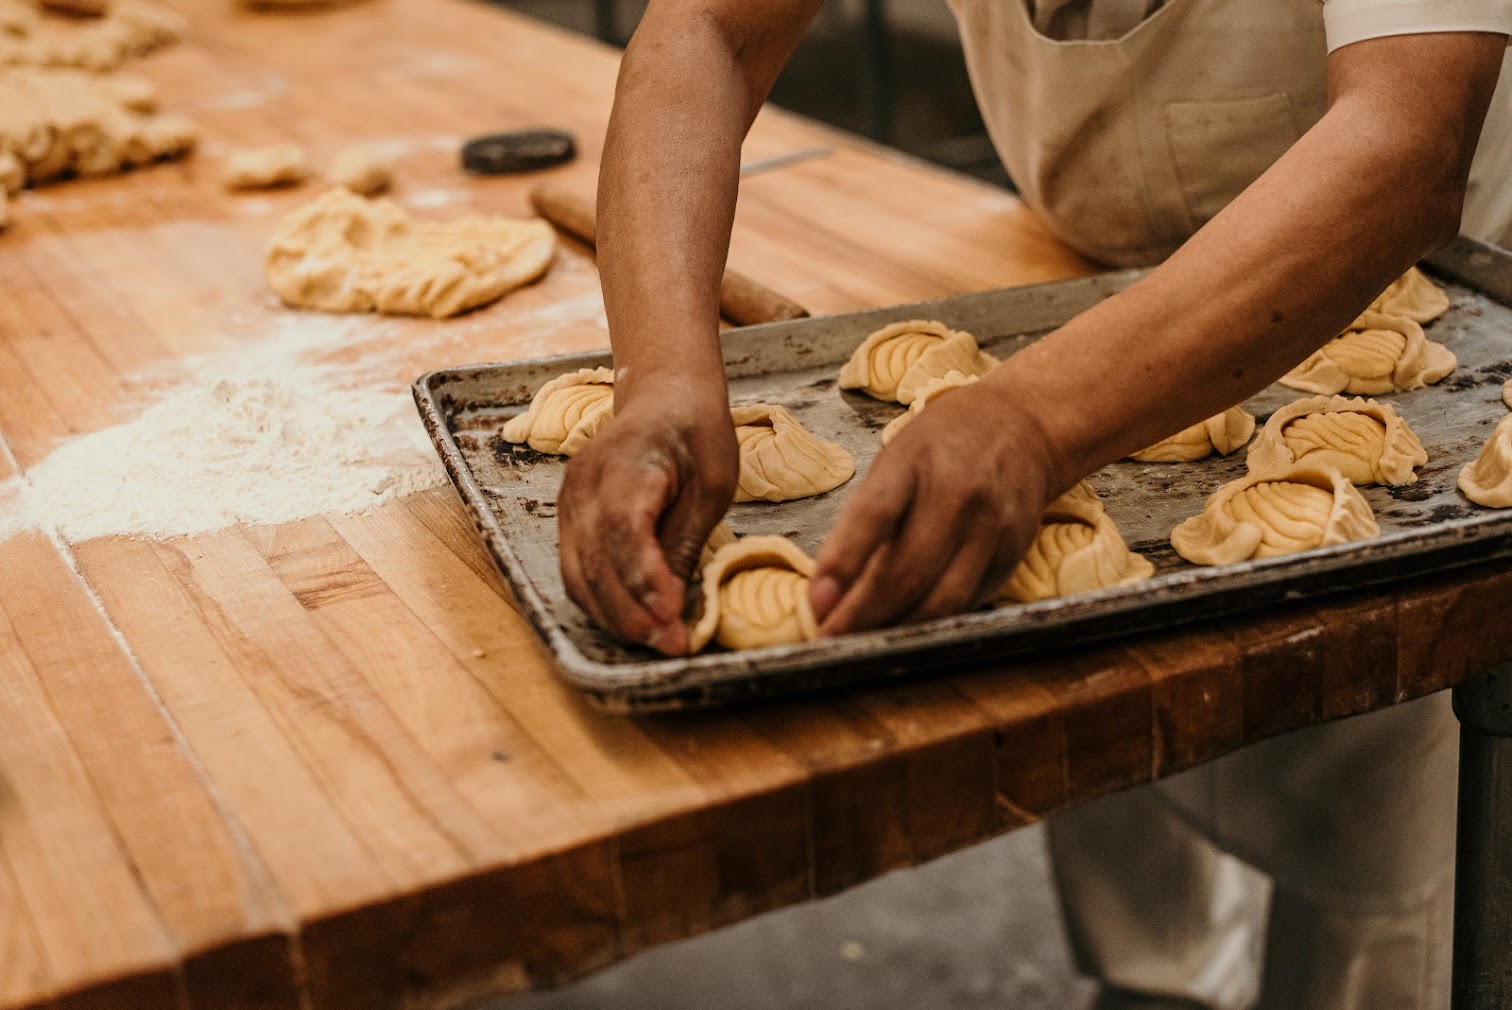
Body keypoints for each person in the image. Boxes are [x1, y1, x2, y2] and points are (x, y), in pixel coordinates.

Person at [556, 2, 1512, 1007]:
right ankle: (1156, 982)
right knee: (1102, 696)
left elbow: (1407, 138)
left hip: (1414, 286)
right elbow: (710, 28)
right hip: (1076, 291)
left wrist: (1034, 418)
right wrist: (661, 374)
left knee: (1376, 854)